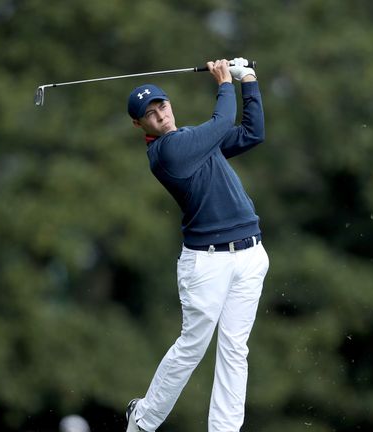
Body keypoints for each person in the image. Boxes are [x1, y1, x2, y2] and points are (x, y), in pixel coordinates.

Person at [124, 58, 269, 432]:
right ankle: (143, 419)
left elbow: (252, 133)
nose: (160, 116)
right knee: (193, 346)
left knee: (235, 349)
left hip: (250, 254)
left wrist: (248, 81)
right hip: (207, 263)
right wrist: (224, 81)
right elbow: (222, 122)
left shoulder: (194, 140)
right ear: (138, 124)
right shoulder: (167, 153)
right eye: (150, 115)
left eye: (163, 106)